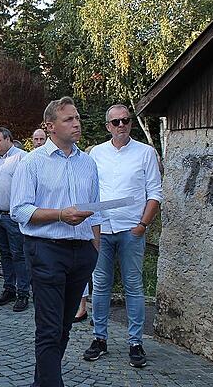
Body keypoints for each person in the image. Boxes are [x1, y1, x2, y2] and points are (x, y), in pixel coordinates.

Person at [10, 96, 101, 387]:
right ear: (50, 127)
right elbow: (20, 210)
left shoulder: (88, 162)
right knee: (49, 329)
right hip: (46, 250)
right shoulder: (32, 162)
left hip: (82, 252)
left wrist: (94, 251)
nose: (77, 123)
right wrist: (60, 214)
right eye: (69, 119)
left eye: (77, 118)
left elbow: (95, 209)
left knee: (63, 327)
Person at [84, 104, 163, 368]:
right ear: (108, 126)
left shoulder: (145, 152)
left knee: (133, 286)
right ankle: (99, 338)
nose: (121, 126)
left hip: (132, 230)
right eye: (115, 122)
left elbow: (155, 192)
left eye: (125, 121)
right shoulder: (96, 153)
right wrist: (92, 225)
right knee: (101, 285)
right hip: (103, 230)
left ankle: (136, 342)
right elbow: (90, 191)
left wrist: (142, 225)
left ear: (130, 123)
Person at [0, 127, 30, 312]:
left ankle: (23, 293)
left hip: (13, 216)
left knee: (18, 254)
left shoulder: (22, 157)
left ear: (8, 139)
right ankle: (9, 288)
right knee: (4, 254)